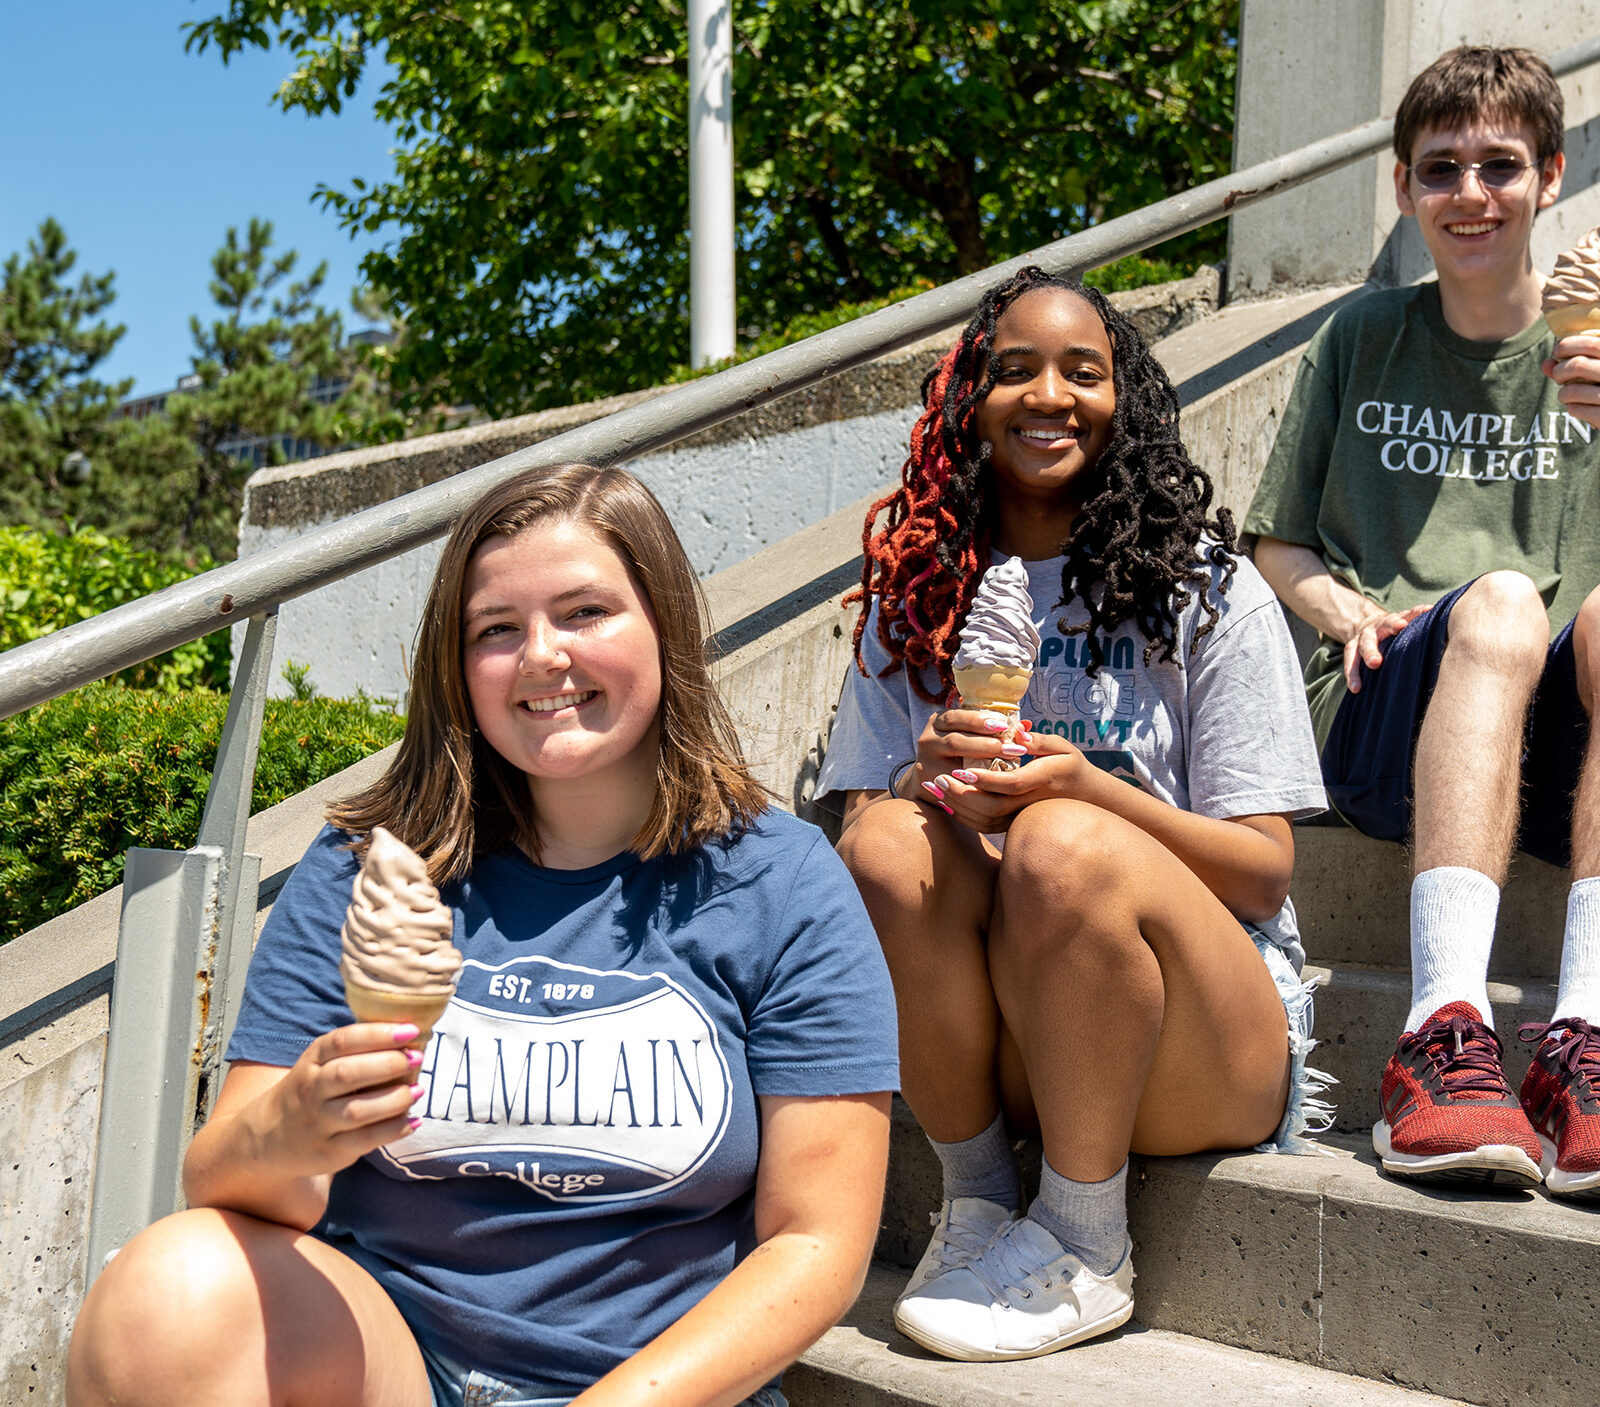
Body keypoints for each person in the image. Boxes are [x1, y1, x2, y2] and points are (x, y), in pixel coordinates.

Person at [67, 463, 899, 1407]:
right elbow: (220, 1179)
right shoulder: (366, 874)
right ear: (457, 667)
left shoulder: (781, 881)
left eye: (586, 612)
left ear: (663, 624)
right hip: (396, 1362)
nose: (542, 655)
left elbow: (816, 1240)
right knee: (167, 1287)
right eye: (497, 629)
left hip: (653, 1388)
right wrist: (294, 1128)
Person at [815, 267, 1329, 1364]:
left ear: (1123, 399)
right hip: (1006, 1035)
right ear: (967, 401)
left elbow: (1263, 873)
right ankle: (979, 1204)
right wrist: (920, 777)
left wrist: (1088, 792)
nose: (1047, 395)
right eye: (1012, 371)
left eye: (1080, 371)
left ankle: (1089, 1246)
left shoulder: (1208, 588)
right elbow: (859, 847)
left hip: (1202, 1042)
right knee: (885, 844)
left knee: (1060, 842)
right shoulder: (911, 596)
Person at [1245, 45, 1600, 1199]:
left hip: (1550, 748)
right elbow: (1277, 542)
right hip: (1381, 704)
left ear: (1550, 177)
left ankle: (1578, 1046)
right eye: (1439, 170)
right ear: (1402, 188)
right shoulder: (1360, 337)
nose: (1469, 195)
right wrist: (1335, 602)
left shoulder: (1589, 353)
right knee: (1497, 600)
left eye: (1498, 165)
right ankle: (1437, 1035)